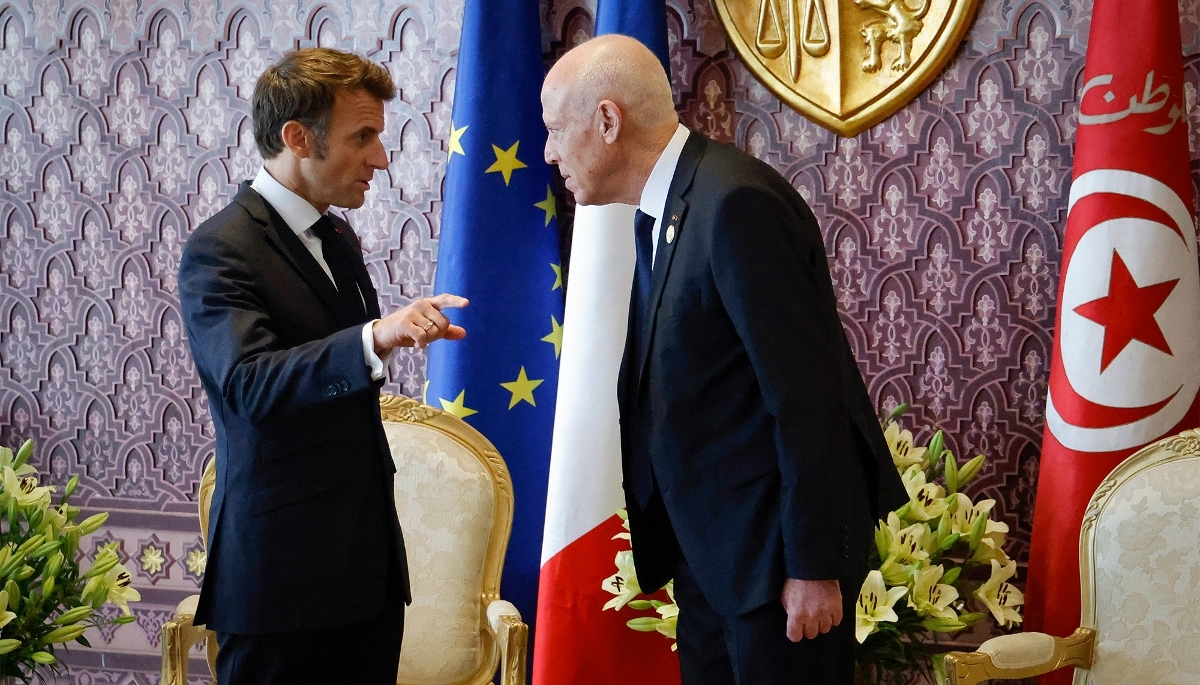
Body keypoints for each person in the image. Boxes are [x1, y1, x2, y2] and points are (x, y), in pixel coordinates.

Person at [541, 35, 907, 684]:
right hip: (716, 559)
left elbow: (807, 396)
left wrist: (812, 565)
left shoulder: (734, 203)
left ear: (606, 120)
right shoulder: (666, 210)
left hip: (776, 570)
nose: (548, 152)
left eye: (553, 129)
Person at [178, 47, 467, 685]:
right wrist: (375, 336)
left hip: (365, 578)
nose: (381, 158)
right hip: (280, 587)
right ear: (297, 138)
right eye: (362, 137)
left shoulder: (337, 236)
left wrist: (383, 332)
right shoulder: (220, 250)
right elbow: (248, 384)